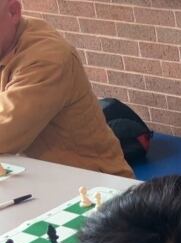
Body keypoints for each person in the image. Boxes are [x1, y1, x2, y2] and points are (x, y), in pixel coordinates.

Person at [0, 0, 133, 177]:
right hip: (35, 175)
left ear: (13, 11)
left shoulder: (47, 57)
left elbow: (5, 133)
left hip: (92, 184)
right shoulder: (7, 38)